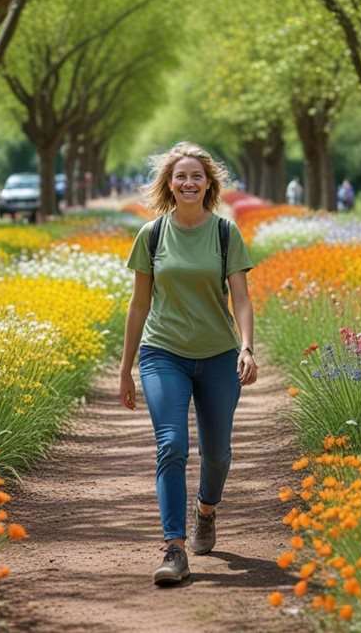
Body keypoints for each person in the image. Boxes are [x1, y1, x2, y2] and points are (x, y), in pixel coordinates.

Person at [119, 141, 258, 586]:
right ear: (169, 184)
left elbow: (241, 297)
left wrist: (247, 347)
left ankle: (206, 510)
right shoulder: (152, 234)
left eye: (196, 175)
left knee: (217, 454)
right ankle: (174, 548)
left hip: (218, 354)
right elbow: (138, 306)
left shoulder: (224, 233)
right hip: (163, 354)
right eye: (180, 176)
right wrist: (126, 369)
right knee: (172, 445)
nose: (188, 182)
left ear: (208, 183)